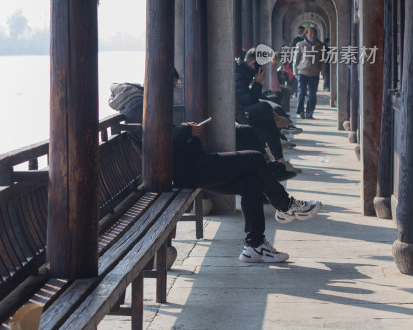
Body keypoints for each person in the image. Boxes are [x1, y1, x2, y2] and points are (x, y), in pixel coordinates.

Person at [112, 72, 322, 264]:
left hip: (189, 165)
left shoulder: (140, 103)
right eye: (172, 87)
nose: (171, 94)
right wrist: (187, 130)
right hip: (186, 170)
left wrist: (186, 131)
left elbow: (160, 136)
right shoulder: (137, 107)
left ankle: (255, 247)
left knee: (252, 183)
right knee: (255, 159)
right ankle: (285, 205)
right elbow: (158, 143)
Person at [235, 49, 300, 175]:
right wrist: (258, 83)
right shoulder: (239, 74)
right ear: (254, 62)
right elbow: (248, 100)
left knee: (268, 120)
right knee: (266, 108)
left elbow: (248, 99)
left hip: (243, 110)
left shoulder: (242, 71)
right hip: (239, 115)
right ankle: (279, 159)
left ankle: (280, 163)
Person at [294, 26, 325, 119]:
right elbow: (295, 59)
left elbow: (323, 61)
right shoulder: (300, 44)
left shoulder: (320, 46)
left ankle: (309, 113)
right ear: (306, 34)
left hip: (314, 73)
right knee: (301, 92)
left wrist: (323, 71)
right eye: (310, 33)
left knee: (312, 94)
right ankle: (300, 111)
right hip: (302, 72)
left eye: (314, 33)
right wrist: (295, 72)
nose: (312, 35)